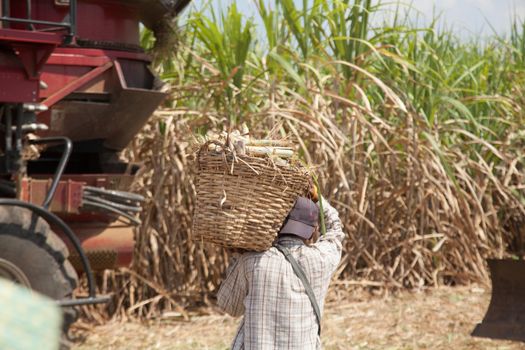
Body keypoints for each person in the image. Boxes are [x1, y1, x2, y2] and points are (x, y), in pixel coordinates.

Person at [217, 194, 345, 349]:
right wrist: (318, 197)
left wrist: (237, 254)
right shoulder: (322, 259)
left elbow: (229, 306)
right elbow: (335, 231)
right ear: (312, 232)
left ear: (277, 226)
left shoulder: (252, 261)